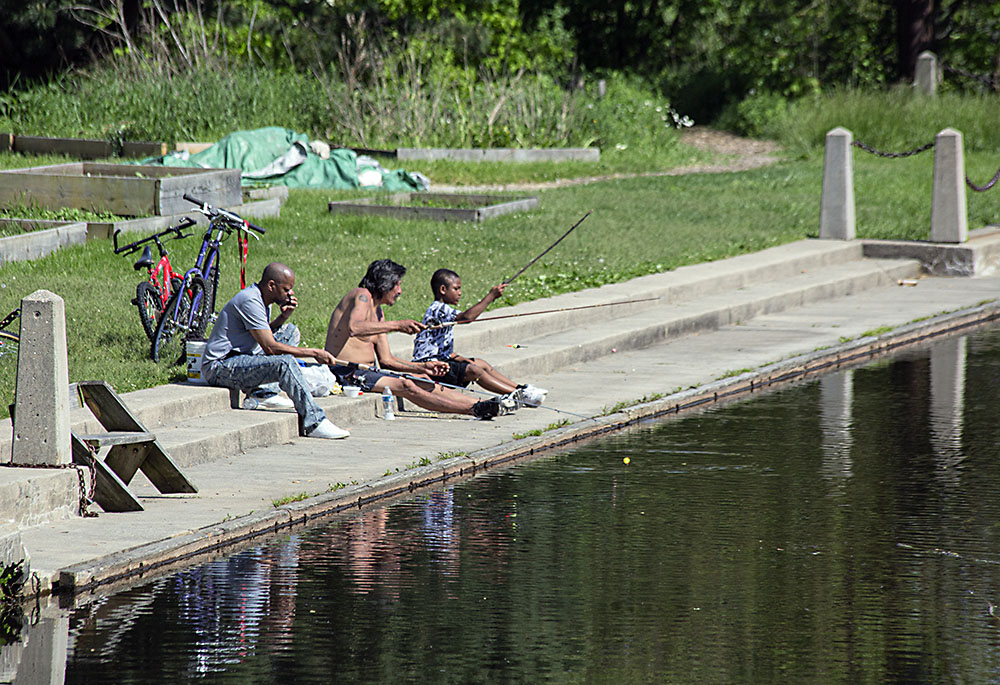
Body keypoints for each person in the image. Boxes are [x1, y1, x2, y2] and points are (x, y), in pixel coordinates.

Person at [324, 259, 517, 419]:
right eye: (397, 284)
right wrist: (398, 325)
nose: (399, 291)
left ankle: (486, 405)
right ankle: (472, 409)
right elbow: (354, 327)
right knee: (406, 385)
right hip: (345, 372)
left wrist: (423, 368)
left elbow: (387, 360)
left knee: (422, 378)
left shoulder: (378, 312)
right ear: (385, 283)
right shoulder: (361, 295)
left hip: (369, 372)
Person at [201, 262, 350, 440]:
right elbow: (270, 347)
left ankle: (262, 393)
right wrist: (314, 353)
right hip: (220, 366)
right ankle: (314, 422)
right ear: (271, 285)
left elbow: (263, 334)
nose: (291, 294)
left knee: (289, 332)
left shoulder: (265, 299)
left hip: (243, 356)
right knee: (284, 362)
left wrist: (284, 317)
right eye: (286, 289)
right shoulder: (250, 300)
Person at [412, 268, 547, 406]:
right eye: (456, 289)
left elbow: (437, 346)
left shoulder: (441, 310)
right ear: (443, 289)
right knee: (474, 371)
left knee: (480, 363)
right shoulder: (438, 309)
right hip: (431, 368)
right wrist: (491, 296)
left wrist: (457, 357)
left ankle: (519, 389)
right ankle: (519, 396)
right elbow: (466, 318)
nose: (460, 293)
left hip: (440, 361)